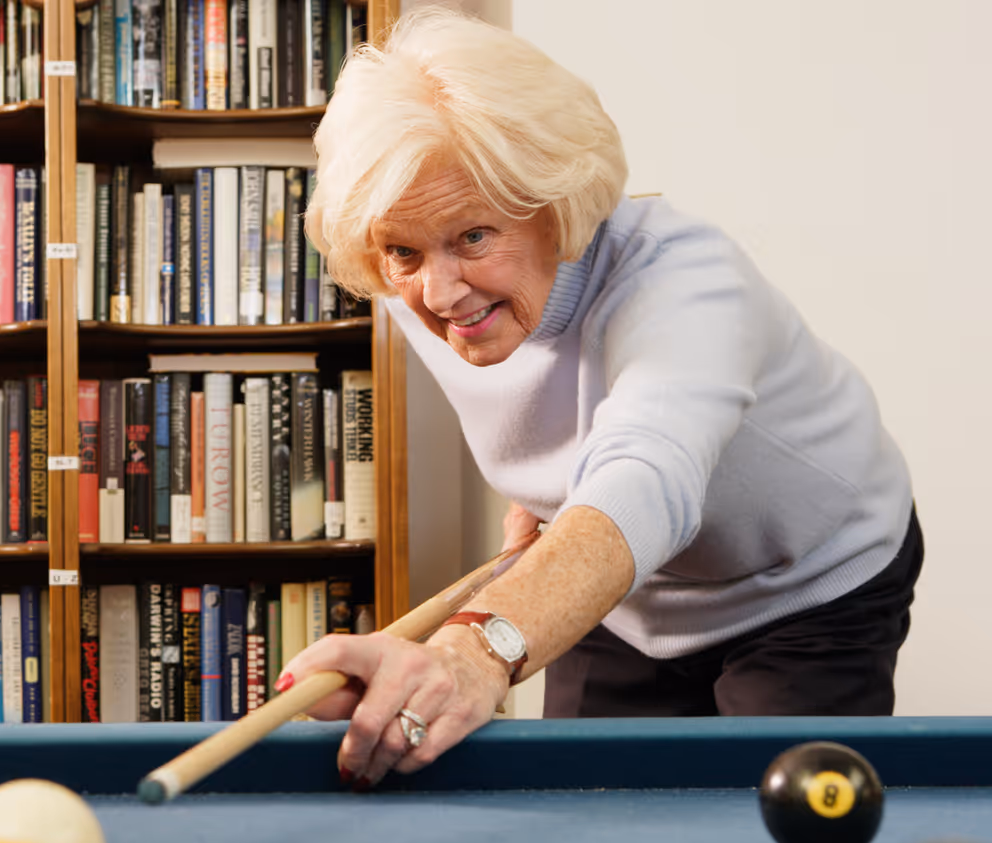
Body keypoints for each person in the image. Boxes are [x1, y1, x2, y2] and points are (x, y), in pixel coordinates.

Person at [286, 8, 922, 791]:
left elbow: (646, 472)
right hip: (625, 592)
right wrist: (544, 506)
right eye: (403, 251)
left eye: (474, 237)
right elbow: (556, 416)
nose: (438, 290)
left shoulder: (687, 282)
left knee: (773, 827)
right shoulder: (420, 280)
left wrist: (473, 649)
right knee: (589, 818)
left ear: (553, 201)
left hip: (806, 581)